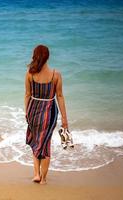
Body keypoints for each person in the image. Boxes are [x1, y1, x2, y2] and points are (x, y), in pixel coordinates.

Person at [24, 44, 69, 185]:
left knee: (36, 141)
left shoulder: (30, 73)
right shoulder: (56, 75)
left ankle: (36, 174)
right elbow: (60, 96)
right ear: (48, 57)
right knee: (46, 144)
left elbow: (27, 95)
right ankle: (43, 179)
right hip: (49, 113)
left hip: (33, 111)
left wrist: (27, 112)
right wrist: (64, 119)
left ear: (34, 56)